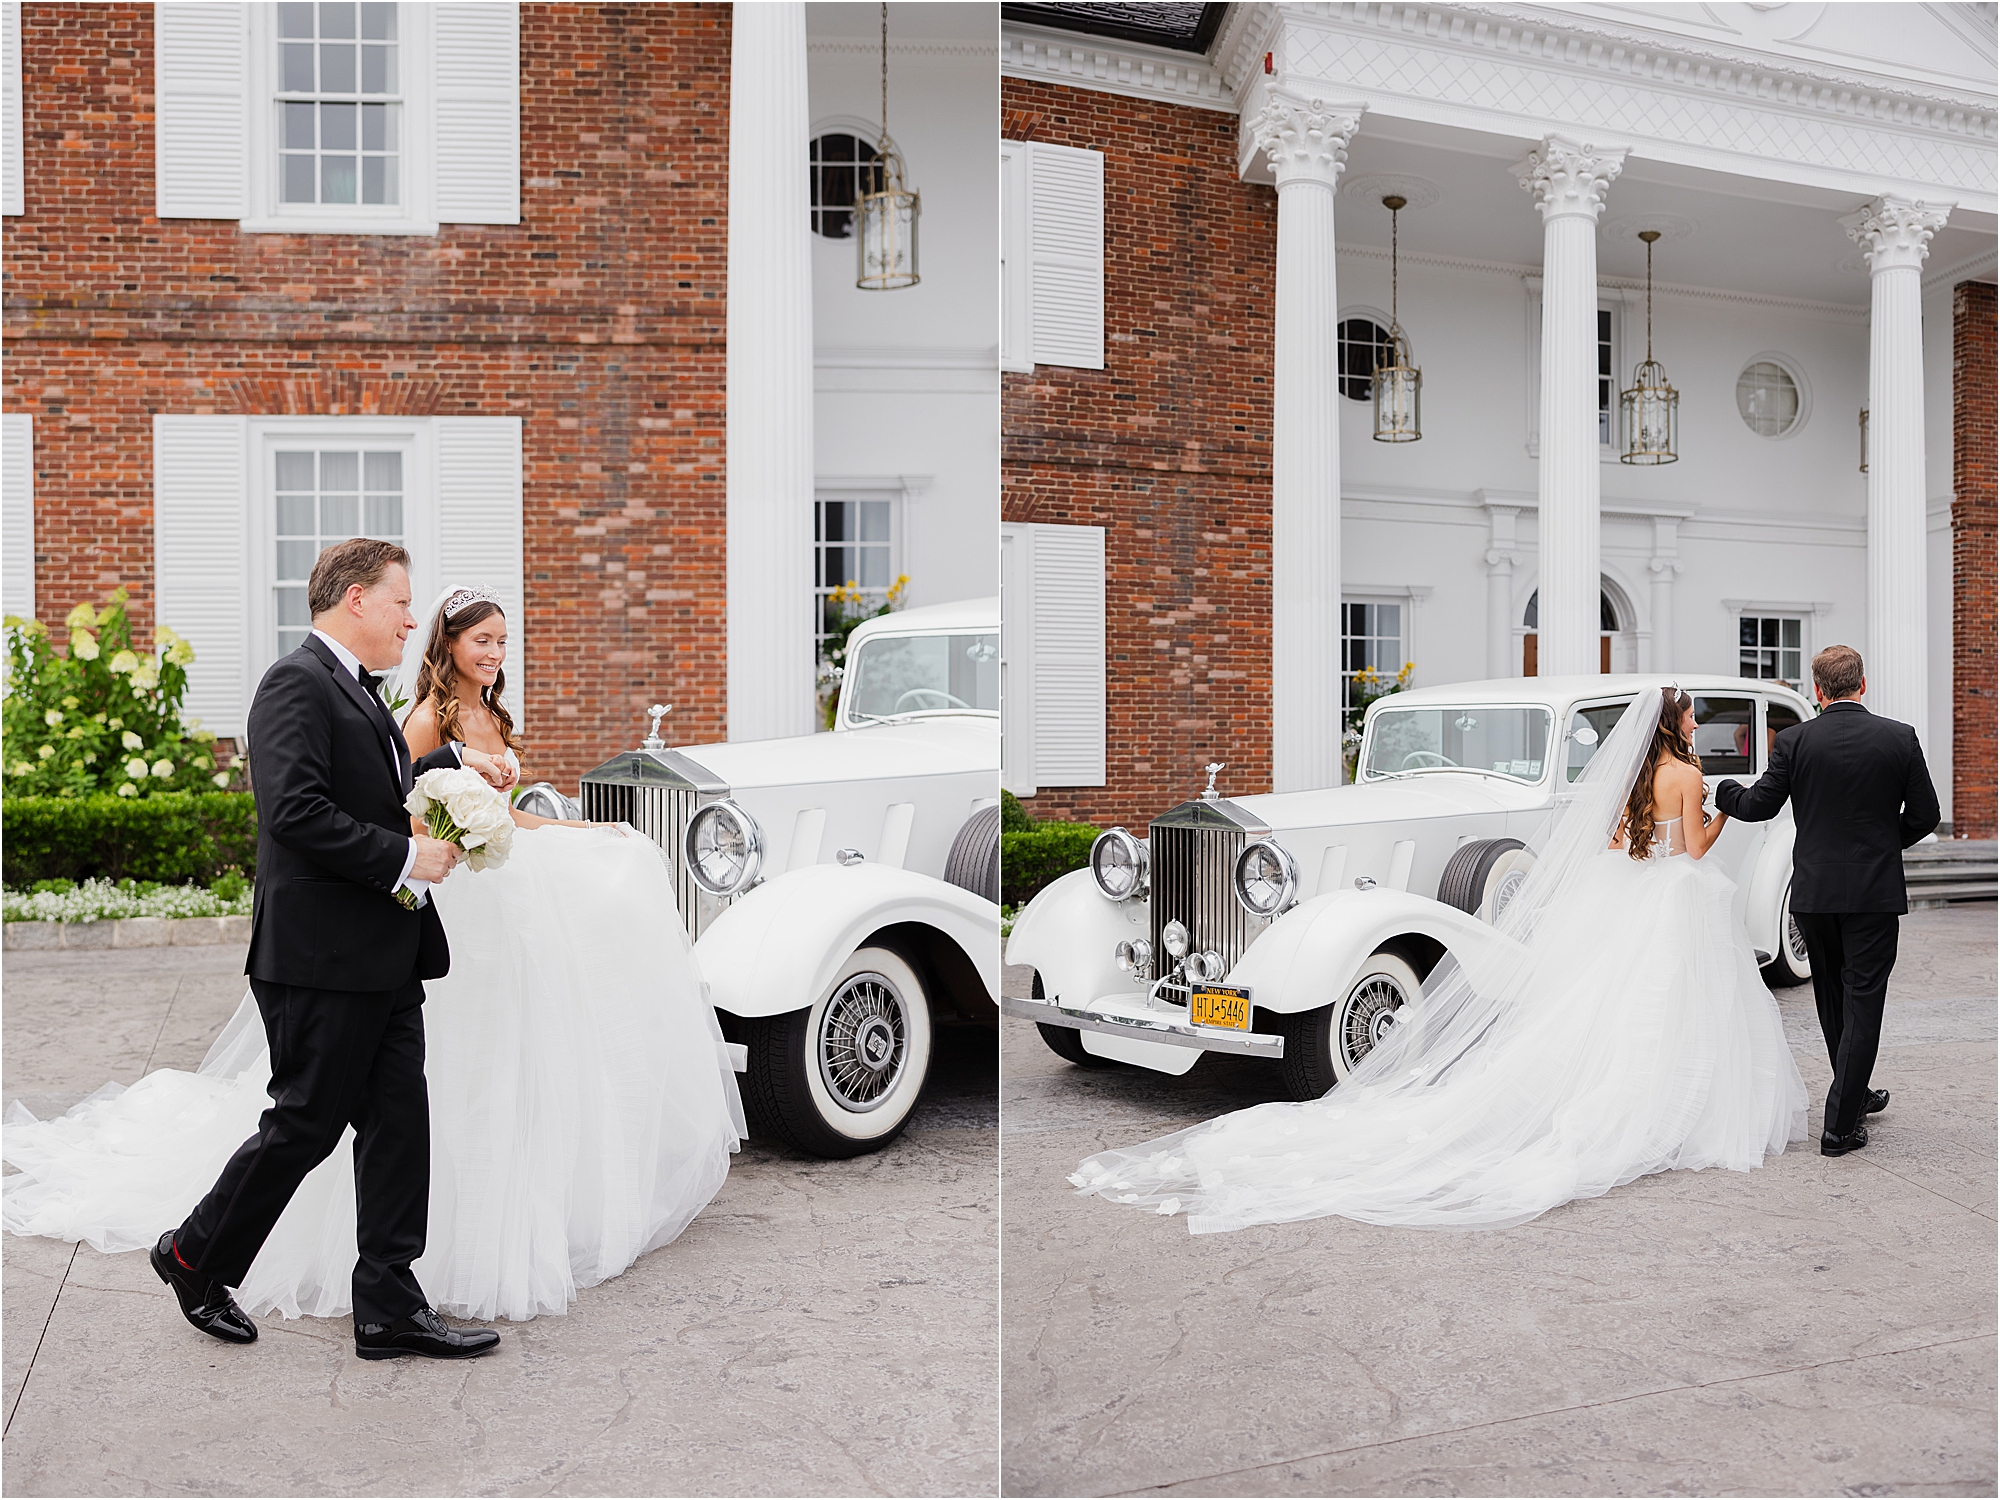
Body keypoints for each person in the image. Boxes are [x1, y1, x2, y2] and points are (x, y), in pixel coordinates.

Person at [3, 576, 746, 1340]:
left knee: (398, 1124)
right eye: (400, 602)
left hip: (386, 950)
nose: (409, 619)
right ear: (356, 599)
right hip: (321, 953)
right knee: (306, 1123)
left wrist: (455, 783)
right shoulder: (294, 683)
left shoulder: (358, 690)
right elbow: (293, 811)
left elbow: (378, 790)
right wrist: (403, 858)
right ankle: (195, 1255)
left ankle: (389, 1305)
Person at [1070, 685, 1809, 1234]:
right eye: (1689, 716)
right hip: (1673, 889)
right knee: (1657, 1006)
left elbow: (1619, 842)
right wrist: (1714, 812)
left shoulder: (1622, 779)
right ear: (1677, 725)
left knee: (1613, 1002)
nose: (1693, 724)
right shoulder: (1683, 775)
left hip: (1634, 888)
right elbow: (1692, 844)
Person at [1716, 644, 1939, 1157]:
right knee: (1863, 1001)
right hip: (1873, 893)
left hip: (1814, 894)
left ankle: (1854, 1093)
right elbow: (1926, 814)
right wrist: (1883, 846)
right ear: (1863, 683)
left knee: (1833, 1000)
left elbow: (1756, 805)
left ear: (1817, 691)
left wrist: (1722, 790)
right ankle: (1840, 1125)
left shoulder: (1795, 740)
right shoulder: (1899, 738)